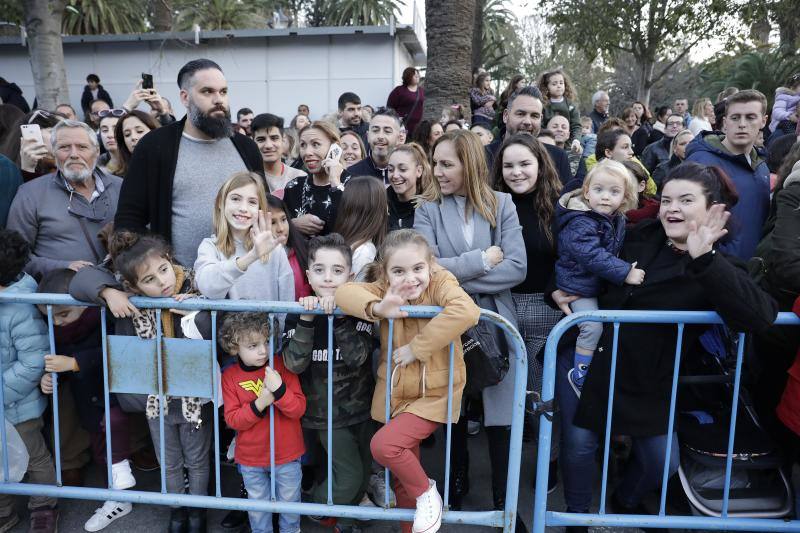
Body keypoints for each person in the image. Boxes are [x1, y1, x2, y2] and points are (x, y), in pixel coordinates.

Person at [550, 163, 777, 527]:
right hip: (588, 361)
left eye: (686, 200)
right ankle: (576, 518)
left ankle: (625, 500)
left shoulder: (718, 264)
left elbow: (760, 316)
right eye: (667, 200)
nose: (672, 208)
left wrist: (705, 259)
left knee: (661, 461)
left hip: (651, 376)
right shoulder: (633, 234)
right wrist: (556, 290)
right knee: (579, 447)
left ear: (712, 208)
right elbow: (577, 258)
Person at [414, 129, 527, 522]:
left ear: (470, 164)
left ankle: (504, 501)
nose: (437, 171)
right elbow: (425, 271)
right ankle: (454, 486)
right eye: (435, 162)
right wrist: (481, 260)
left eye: (447, 164)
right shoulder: (427, 209)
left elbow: (517, 267)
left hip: (497, 322)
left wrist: (453, 279)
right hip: (447, 322)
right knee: (454, 408)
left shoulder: (502, 204)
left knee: (501, 414)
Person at [337, 229, 481, 533]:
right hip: (397, 393)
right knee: (402, 481)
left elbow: (467, 310)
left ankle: (427, 493)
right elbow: (344, 293)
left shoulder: (440, 281)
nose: (410, 278)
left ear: (430, 265)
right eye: (399, 271)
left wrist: (418, 347)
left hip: (435, 394)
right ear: (385, 274)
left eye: (418, 268)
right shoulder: (385, 288)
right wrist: (378, 307)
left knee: (385, 446)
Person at [69, 231, 213, 532]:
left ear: (170, 260)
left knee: (197, 459)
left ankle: (198, 511)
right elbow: (80, 281)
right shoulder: (129, 299)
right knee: (168, 460)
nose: (162, 281)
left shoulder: (197, 286)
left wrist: (197, 313)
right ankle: (177, 511)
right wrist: (109, 293)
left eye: (163, 269)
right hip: (156, 399)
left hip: (194, 396)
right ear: (133, 286)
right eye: (149, 279)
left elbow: (216, 328)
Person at [113, 58, 263, 268]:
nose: (218, 100)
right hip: (178, 281)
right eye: (207, 92)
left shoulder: (247, 148)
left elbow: (264, 208)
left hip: (245, 275)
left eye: (223, 92)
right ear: (185, 97)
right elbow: (129, 219)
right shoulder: (154, 146)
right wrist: (151, 270)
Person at [282, 233, 375, 533]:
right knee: (349, 476)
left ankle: (344, 522)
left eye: (337, 270)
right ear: (308, 275)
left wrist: (340, 314)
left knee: (362, 477)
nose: (328, 278)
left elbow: (358, 357)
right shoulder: (299, 312)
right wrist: (307, 320)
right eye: (320, 270)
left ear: (350, 275)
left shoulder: (358, 311)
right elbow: (293, 364)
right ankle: (314, 506)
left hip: (362, 410)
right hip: (326, 416)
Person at [36, 269, 136, 532]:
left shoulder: (104, 316)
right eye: (50, 317)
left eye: (63, 314)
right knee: (100, 449)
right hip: (87, 400)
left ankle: (121, 490)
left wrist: (75, 363)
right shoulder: (58, 331)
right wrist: (50, 378)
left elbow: (116, 352)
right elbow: (59, 365)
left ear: (82, 304)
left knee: (115, 429)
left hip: (115, 395)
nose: (57, 322)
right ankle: (117, 498)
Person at [492, 134, 563, 479]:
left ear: (540, 165)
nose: (516, 172)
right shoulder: (490, 205)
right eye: (509, 165)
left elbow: (569, 258)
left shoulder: (559, 207)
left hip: (543, 310)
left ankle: (549, 461)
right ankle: (503, 476)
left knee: (539, 395)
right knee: (500, 394)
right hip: (499, 305)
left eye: (524, 164)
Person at [555, 159, 642, 395]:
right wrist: (625, 271)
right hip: (577, 286)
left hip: (594, 284)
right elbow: (591, 254)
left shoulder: (615, 218)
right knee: (592, 327)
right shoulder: (581, 221)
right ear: (586, 192)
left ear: (624, 197)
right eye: (598, 189)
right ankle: (580, 375)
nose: (605, 197)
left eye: (614, 192)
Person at [220, 311, 306, 533]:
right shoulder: (229, 376)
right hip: (251, 457)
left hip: (287, 453)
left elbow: (298, 409)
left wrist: (280, 390)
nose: (263, 350)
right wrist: (261, 403)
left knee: (290, 505)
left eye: (267, 342)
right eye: (253, 345)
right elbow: (233, 420)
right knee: (258, 508)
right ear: (234, 348)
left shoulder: (282, 365)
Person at [7, 119, 122, 279]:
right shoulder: (30, 194)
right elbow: (15, 256)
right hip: (60, 291)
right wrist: (63, 267)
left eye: (82, 147)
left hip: (121, 288)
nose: (74, 154)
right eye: (64, 147)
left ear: (96, 151)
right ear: (54, 153)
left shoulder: (121, 187)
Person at [0, 229, 58, 533]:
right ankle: (4, 512)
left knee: (34, 457)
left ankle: (44, 506)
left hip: (18, 404)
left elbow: (34, 361)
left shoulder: (21, 305)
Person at [193, 171, 294, 327]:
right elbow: (208, 287)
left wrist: (279, 339)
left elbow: (286, 304)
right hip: (227, 340)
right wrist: (251, 256)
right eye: (235, 199)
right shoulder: (210, 246)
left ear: (260, 209)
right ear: (220, 203)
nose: (243, 208)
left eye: (252, 202)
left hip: (268, 339)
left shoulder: (274, 249)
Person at [685, 89, 769, 259]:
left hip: (753, 268)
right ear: (725, 122)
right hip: (713, 266)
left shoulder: (762, 167)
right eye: (735, 118)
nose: (742, 124)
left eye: (750, 117)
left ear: (763, 121)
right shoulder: (700, 162)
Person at [486, 86, 574, 185]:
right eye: (520, 114)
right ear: (506, 116)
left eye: (534, 116)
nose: (527, 122)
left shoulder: (557, 157)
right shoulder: (484, 155)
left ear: (541, 119)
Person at [283, 121, 349, 237]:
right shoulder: (293, 187)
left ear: (334, 148)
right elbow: (278, 228)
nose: (307, 152)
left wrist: (335, 181)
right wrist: (292, 224)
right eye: (303, 145)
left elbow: (351, 224)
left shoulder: (354, 184)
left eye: (316, 144)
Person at [333, 176, 387, 280]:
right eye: (384, 203)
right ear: (376, 210)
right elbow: (358, 289)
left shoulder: (341, 243)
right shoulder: (364, 251)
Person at [266, 194, 311, 299]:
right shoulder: (255, 261)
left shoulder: (303, 249)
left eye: (283, 219)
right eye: (273, 222)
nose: (281, 228)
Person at [250, 113, 307, 193]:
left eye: (274, 138)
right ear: (253, 142)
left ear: (283, 140)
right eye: (261, 140)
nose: (268, 145)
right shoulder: (248, 180)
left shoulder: (300, 177)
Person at [1, 108, 62, 182]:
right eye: (52, 131)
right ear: (33, 135)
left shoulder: (64, 166)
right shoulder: (8, 172)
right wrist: (28, 169)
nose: (62, 137)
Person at [347, 107, 401, 186]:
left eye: (387, 131)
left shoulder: (406, 173)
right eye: (375, 130)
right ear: (368, 136)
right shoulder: (353, 174)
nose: (380, 136)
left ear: (398, 138)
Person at [387, 142, 431, 231]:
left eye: (402, 169)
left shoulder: (429, 207)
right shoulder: (380, 202)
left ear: (419, 171)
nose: (395, 175)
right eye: (390, 169)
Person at [538, 69, 582, 152]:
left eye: (561, 83)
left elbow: (576, 125)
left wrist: (576, 141)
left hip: (568, 145)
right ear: (547, 87)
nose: (558, 86)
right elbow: (540, 125)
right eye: (554, 84)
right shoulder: (543, 105)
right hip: (547, 144)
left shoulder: (571, 105)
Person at [113, 110, 160, 178]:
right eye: (127, 134)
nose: (133, 137)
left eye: (139, 131)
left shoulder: (171, 165)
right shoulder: (117, 179)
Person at [387, 67, 425, 136]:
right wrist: (395, 119)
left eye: (418, 74)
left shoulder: (421, 91)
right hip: (402, 126)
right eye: (415, 75)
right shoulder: (399, 90)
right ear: (408, 76)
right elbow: (390, 107)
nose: (417, 76)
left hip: (417, 127)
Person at [621, 159, 660, 225]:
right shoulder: (605, 213)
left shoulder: (657, 216)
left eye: (627, 182)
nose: (620, 187)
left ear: (641, 186)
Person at [97, 109, 124, 175]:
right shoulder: (96, 162)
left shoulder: (137, 159)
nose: (110, 135)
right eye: (105, 130)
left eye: (116, 130)